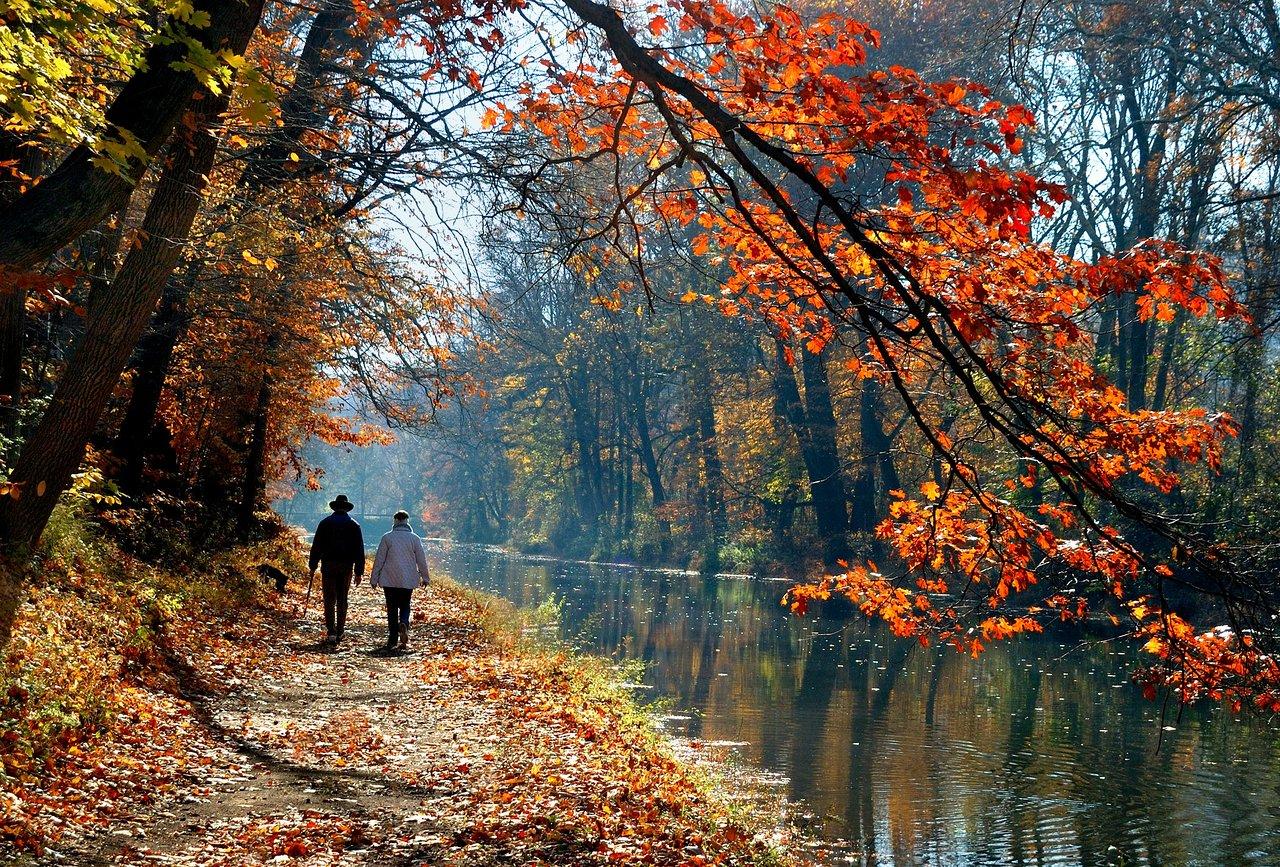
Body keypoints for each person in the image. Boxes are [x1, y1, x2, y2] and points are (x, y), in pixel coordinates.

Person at [308, 494, 365, 646]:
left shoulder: (325, 523)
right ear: (346, 508)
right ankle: (340, 630)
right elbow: (359, 550)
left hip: (328, 565)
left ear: (335, 508)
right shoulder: (354, 525)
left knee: (329, 598)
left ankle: (331, 631)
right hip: (346, 566)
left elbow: (317, 546)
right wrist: (358, 572)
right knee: (342, 598)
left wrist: (312, 565)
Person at [369, 510, 430, 653]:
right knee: (405, 604)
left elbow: (379, 559)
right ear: (407, 521)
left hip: (389, 578)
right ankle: (403, 623)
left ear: (395, 521)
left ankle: (392, 638)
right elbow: (421, 560)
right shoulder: (414, 539)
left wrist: (374, 578)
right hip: (408, 579)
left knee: (391, 608)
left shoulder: (387, 538)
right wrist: (425, 577)